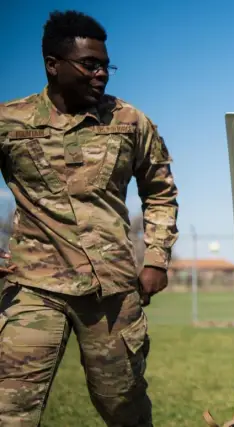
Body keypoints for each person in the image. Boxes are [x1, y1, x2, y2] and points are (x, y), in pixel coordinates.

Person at [0, 9, 179, 426]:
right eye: (89, 65)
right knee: (11, 409)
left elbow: (160, 191)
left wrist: (156, 257)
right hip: (34, 286)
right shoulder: (10, 122)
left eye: (105, 65)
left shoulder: (130, 122)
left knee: (124, 405)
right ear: (52, 65)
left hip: (112, 290)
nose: (101, 74)